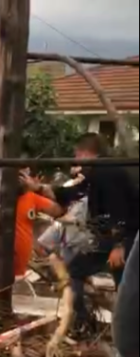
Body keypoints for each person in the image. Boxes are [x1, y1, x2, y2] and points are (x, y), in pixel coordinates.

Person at [45, 133, 139, 336]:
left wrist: (120, 244)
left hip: (123, 237)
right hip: (107, 238)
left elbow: (120, 210)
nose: (76, 161)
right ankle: (85, 324)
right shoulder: (98, 172)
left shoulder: (108, 172)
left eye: (77, 155)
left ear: (84, 153)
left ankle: (120, 333)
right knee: (75, 272)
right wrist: (41, 188)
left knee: (124, 287)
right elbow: (74, 193)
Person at [0, 166, 65, 280]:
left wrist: (39, 188)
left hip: (21, 272)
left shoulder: (31, 197)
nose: (21, 180)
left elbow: (58, 210)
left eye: (24, 176)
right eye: (18, 176)